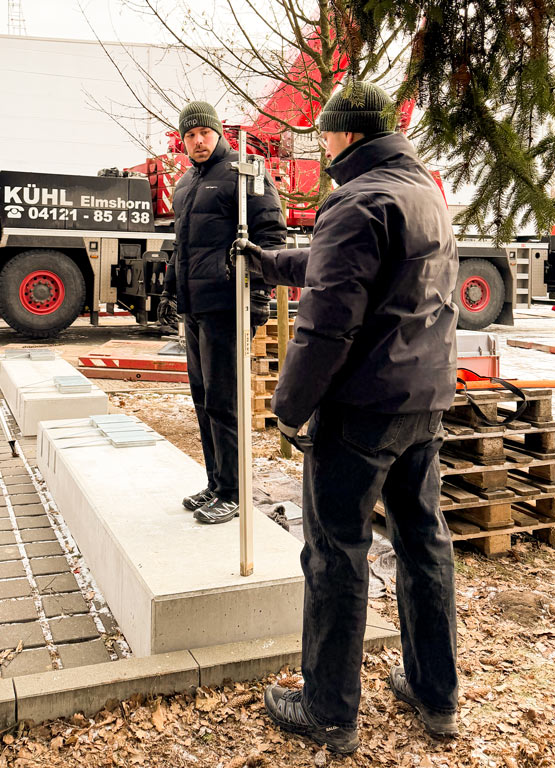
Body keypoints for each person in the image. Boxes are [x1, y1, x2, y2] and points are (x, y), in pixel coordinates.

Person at [231, 81, 460, 753]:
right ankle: (434, 692)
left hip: (360, 412)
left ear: (350, 134)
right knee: (424, 545)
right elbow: (349, 270)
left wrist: (289, 408)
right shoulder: (421, 195)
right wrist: (271, 263)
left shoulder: (354, 200)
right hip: (422, 404)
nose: (321, 142)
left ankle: (329, 711)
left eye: (326, 132)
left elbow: (327, 323)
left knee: (337, 553)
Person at [158, 101, 286, 524]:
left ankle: (233, 491)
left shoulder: (244, 172)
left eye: (204, 133)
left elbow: (270, 235)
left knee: (226, 402)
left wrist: (260, 294)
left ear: (218, 133)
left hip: (229, 307)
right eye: (190, 135)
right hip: (195, 310)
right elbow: (184, 244)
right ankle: (215, 483)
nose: (197, 141)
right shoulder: (186, 184)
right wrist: (172, 288)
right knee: (203, 399)